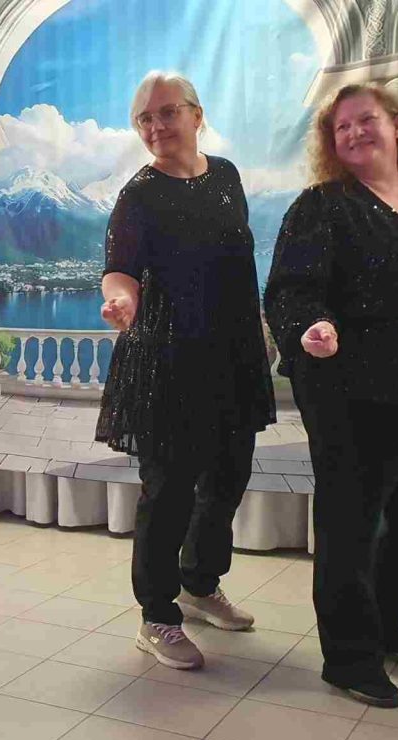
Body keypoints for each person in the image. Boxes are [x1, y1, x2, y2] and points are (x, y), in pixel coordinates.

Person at [264, 83, 398, 708]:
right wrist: (311, 325)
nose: (355, 132)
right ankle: (350, 656)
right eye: (342, 127)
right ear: (331, 143)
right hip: (351, 385)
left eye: (366, 120)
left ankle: (386, 620)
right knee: (350, 524)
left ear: (396, 125)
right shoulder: (322, 205)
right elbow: (290, 290)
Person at [96, 71, 275, 670]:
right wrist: (121, 300)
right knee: (168, 492)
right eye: (144, 118)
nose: (156, 127)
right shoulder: (139, 195)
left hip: (231, 358)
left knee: (226, 482)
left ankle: (200, 584)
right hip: (166, 361)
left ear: (197, 115)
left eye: (167, 112)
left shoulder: (226, 177)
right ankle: (157, 616)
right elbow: (120, 268)